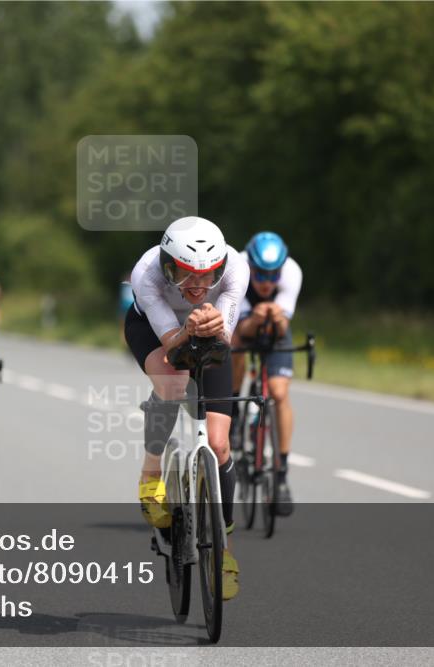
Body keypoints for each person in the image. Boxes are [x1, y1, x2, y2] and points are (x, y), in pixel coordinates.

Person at [124, 216, 249, 600]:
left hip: (209, 333)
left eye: (209, 275)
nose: (198, 285)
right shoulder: (146, 274)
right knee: (174, 382)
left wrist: (210, 325)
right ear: (167, 266)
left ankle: (224, 551)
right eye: (185, 274)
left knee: (220, 443)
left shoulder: (236, 270)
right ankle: (151, 477)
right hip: (156, 330)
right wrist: (189, 329)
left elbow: (221, 343)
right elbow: (173, 345)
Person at [231, 231, 303, 515]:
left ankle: (281, 475)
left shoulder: (292, 272)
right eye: (260, 274)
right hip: (243, 324)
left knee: (278, 392)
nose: (266, 282)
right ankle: (235, 412)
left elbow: (283, 328)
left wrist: (275, 316)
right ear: (250, 266)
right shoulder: (236, 268)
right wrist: (256, 317)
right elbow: (243, 327)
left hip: (276, 330)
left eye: (273, 276)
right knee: (234, 347)